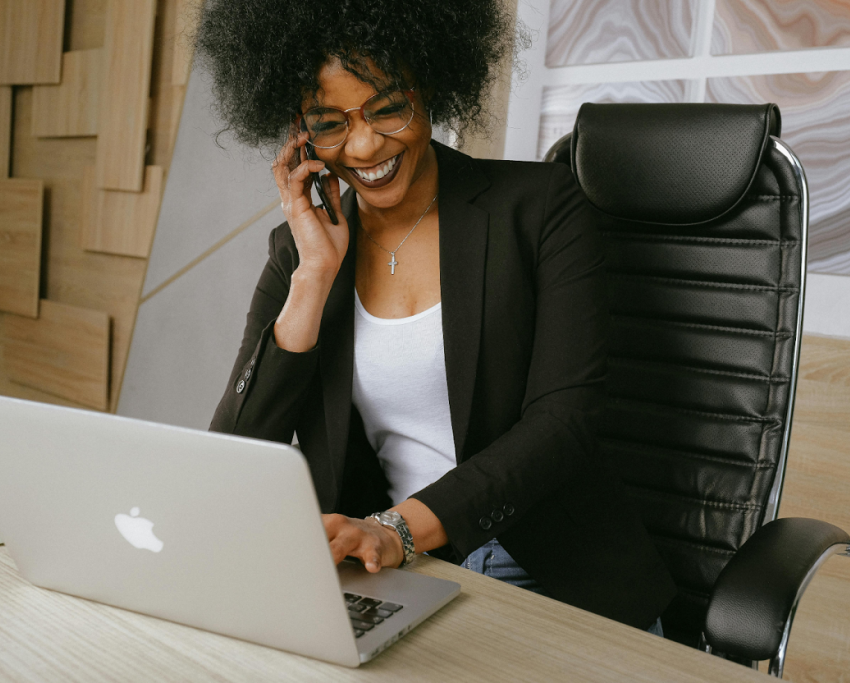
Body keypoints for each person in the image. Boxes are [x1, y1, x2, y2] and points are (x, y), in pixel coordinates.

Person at [199, 0, 676, 633]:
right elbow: (236, 452)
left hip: (548, 569)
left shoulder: (538, 210)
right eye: (330, 123)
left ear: (431, 87)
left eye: (389, 108)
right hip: (390, 577)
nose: (365, 145)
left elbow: (565, 422)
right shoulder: (301, 248)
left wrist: (398, 529)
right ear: (299, 131)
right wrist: (313, 276)